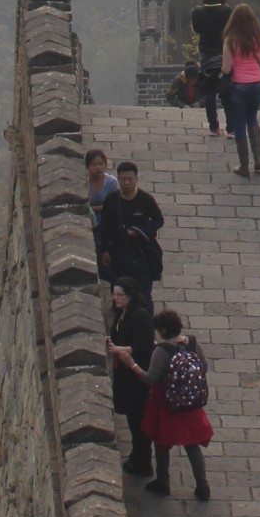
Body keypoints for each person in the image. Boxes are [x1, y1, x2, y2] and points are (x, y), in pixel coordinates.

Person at [125, 308, 213, 500]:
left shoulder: (161, 351)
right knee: (192, 443)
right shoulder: (193, 342)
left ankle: (163, 482)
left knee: (162, 442)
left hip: (167, 404)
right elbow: (203, 367)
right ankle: (203, 486)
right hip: (191, 404)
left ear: (164, 330)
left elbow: (150, 379)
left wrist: (132, 364)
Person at [106, 277, 155, 477]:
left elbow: (142, 346)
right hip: (124, 375)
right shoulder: (122, 313)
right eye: (114, 294)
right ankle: (137, 456)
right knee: (132, 418)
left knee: (138, 419)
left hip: (136, 377)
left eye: (120, 295)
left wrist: (119, 349)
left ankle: (143, 461)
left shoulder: (140, 316)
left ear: (130, 296)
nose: (115, 298)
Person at [221, 1, 260, 178]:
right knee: (252, 118)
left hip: (239, 86)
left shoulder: (230, 40)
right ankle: (258, 159)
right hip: (258, 84)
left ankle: (244, 166)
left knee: (239, 123)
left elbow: (226, 69)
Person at [98, 163, 164, 299]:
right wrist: (104, 250)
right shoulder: (111, 200)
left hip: (141, 252)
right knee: (119, 292)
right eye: (123, 179)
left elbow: (158, 220)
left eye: (130, 179)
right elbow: (105, 227)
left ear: (136, 179)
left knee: (143, 295)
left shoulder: (146, 200)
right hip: (118, 253)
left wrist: (140, 231)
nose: (127, 183)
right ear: (118, 179)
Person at [190, 0, 230, 138]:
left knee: (210, 90)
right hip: (223, 52)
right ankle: (231, 128)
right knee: (227, 89)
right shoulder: (227, 11)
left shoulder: (198, 11)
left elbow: (196, 29)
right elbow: (230, 30)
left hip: (207, 53)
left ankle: (214, 127)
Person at [85, 148, 118, 258]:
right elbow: (84, 204)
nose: (98, 167)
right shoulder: (85, 182)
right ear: (88, 166)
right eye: (94, 165)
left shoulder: (111, 182)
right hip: (90, 222)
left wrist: (93, 208)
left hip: (107, 222)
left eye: (101, 164)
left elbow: (113, 206)